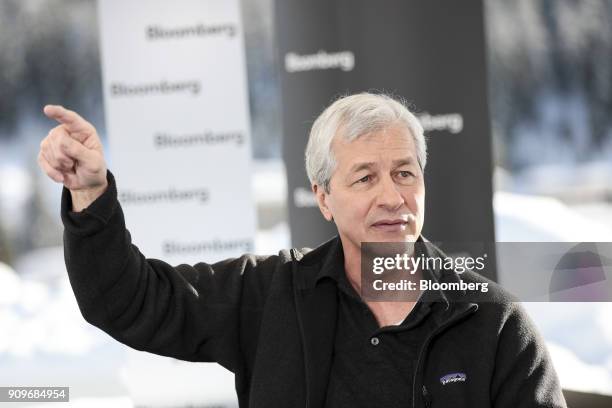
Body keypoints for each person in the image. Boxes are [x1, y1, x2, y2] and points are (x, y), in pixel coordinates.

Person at [38, 93, 567, 407]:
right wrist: (90, 193)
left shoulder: (494, 322)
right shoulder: (268, 295)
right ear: (324, 198)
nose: (392, 196)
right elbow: (127, 301)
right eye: (364, 177)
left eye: (405, 173)